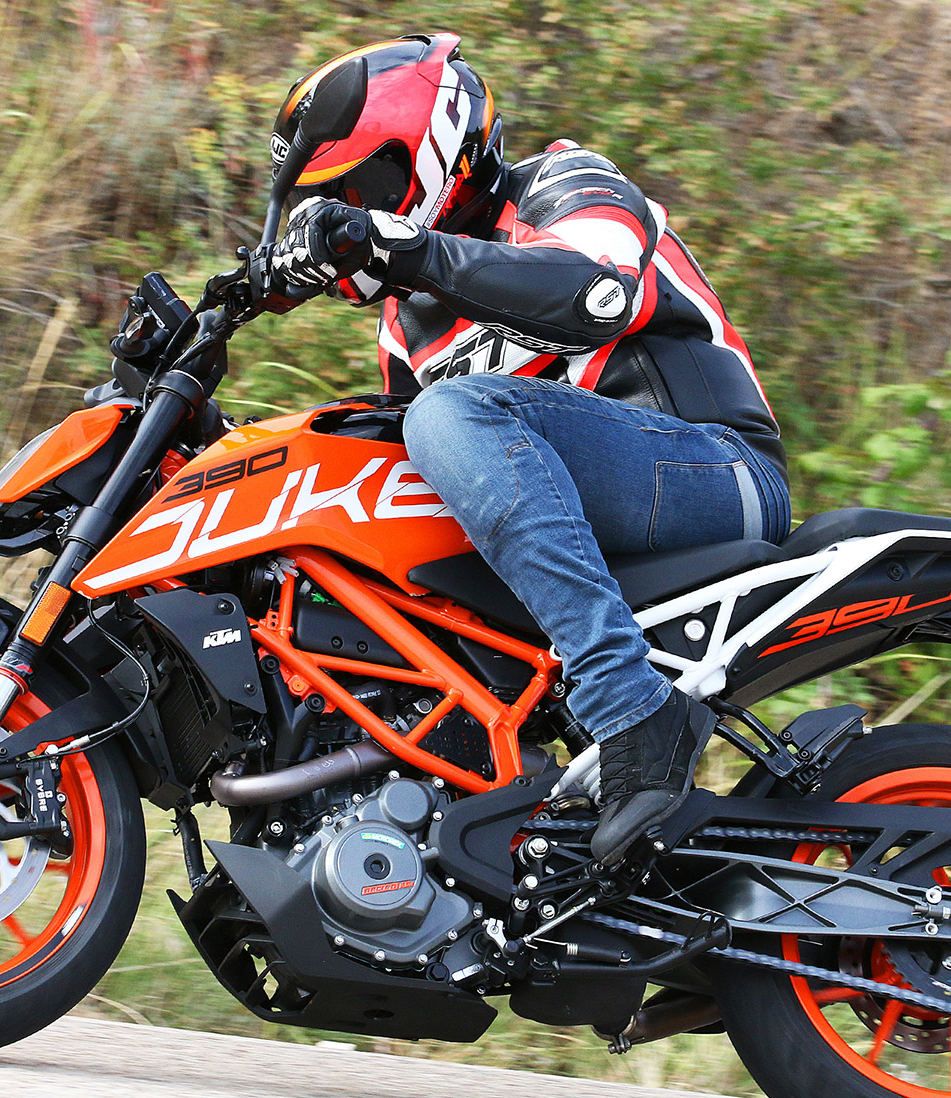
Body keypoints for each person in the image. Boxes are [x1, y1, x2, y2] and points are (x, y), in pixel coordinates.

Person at [265, 34, 790, 865]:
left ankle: (631, 708)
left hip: (718, 471)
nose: (354, 209)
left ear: (434, 152)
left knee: (443, 415)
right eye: (335, 200)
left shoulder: (563, 183)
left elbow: (597, 291)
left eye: (364, 189)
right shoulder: (406, 324)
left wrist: (403, 247)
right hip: (595, 525)